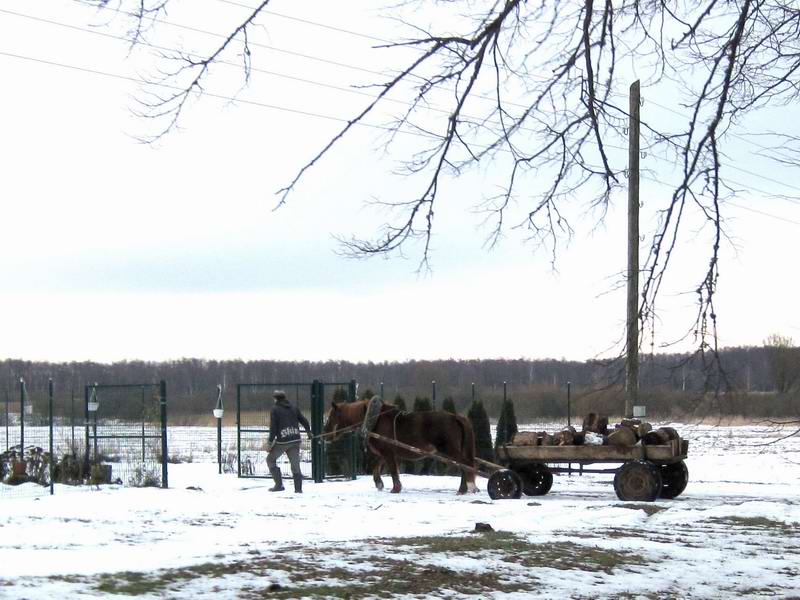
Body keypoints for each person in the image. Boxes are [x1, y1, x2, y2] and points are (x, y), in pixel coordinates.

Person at [267, 389, 312, 493]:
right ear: (284, 397)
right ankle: (298, 489)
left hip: (282, 442)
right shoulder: (294, 407)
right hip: (295, 440)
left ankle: (278, 485)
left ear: (275, 399)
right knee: (295, 465)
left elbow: (273, 427)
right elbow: (304, 420)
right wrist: (309, 432)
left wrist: (270, 441)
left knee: (270, 460)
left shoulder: (275, 409)